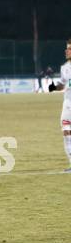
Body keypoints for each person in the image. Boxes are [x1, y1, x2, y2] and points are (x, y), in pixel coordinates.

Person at [49, 39, 71, 172]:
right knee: (67, 131)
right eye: (66, 48)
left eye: (69, 48)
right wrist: (54, 87)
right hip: (68, 105)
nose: (66, 50)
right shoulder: (64, 68)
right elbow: (62, 84)